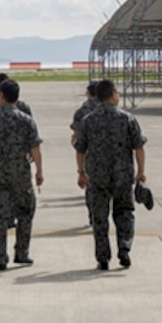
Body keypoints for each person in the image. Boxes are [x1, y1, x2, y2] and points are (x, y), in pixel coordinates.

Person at [74, 79, 147, 271]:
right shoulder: (127, 118)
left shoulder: (88, 120)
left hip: (97, 177)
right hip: (122, 176)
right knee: (124, 212)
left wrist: (81, 173)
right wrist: (141, 171)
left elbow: (80, 150)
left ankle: (103, 258)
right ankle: (124, 248)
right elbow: (138, 147)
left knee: (99, 217)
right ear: (113, 95)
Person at [0, 79, 43, 271]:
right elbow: (35, 147)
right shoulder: (26, 119)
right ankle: (21, 253)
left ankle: (1, 257)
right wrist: (39, 171)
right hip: (20, 174)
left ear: (1, 96)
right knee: (25, 213)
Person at [70, 82, 99, 226]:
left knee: (92, 189)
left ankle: (94, 215)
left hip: (90, 156)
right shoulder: (110, 109)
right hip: (113, 157)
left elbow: (76, 139)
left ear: (89, 93)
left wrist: (80, 170)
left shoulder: (82, 111)